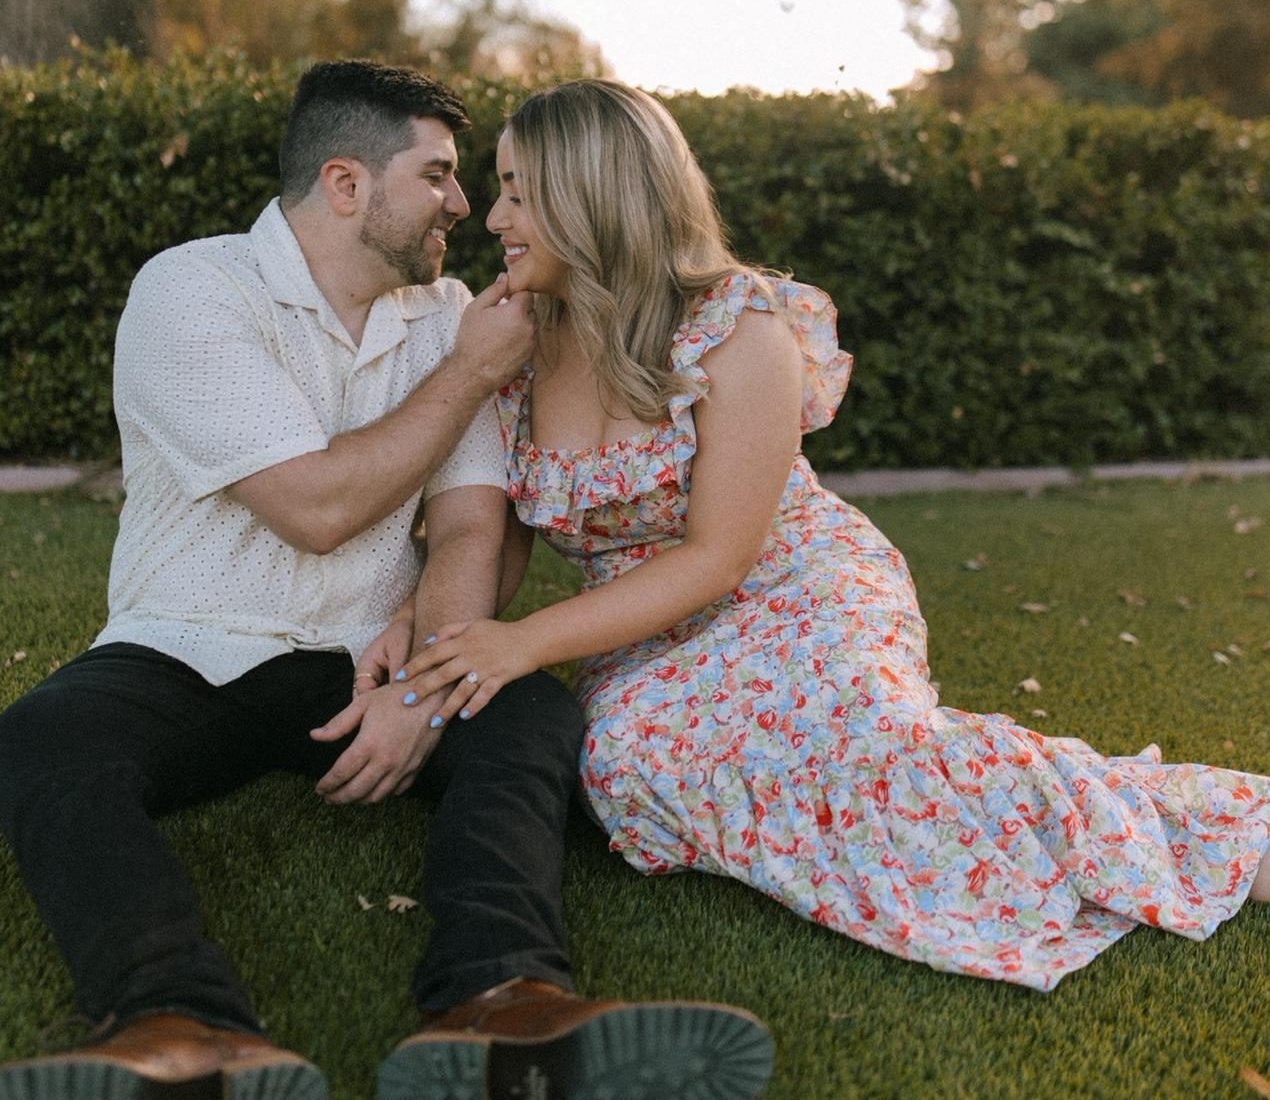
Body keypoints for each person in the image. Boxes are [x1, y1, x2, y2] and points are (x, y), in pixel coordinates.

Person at [0, 63, 773, 1100]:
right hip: (187, 647)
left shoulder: (452, 310)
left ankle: (503, 1000)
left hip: (365, 660)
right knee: (39, 741)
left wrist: (424, 685)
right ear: (346, 184)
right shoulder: (193, 290)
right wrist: (466, 373)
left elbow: (470, 520)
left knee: (526, 716)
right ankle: (178, 1025)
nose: (464, 205)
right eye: (436, 176)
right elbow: (317, 506)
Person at [393, 77, 1270, 993]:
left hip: (792, 585)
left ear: (594, 194)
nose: (494, 217)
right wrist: (417, 628)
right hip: (639, 631)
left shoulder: (738, 326)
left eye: (520, 191)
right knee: (627, 770)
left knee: (874, 749)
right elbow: (494, 540)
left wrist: (523, 644)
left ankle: (1228, 837)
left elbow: (720, 554)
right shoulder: (510, 341)